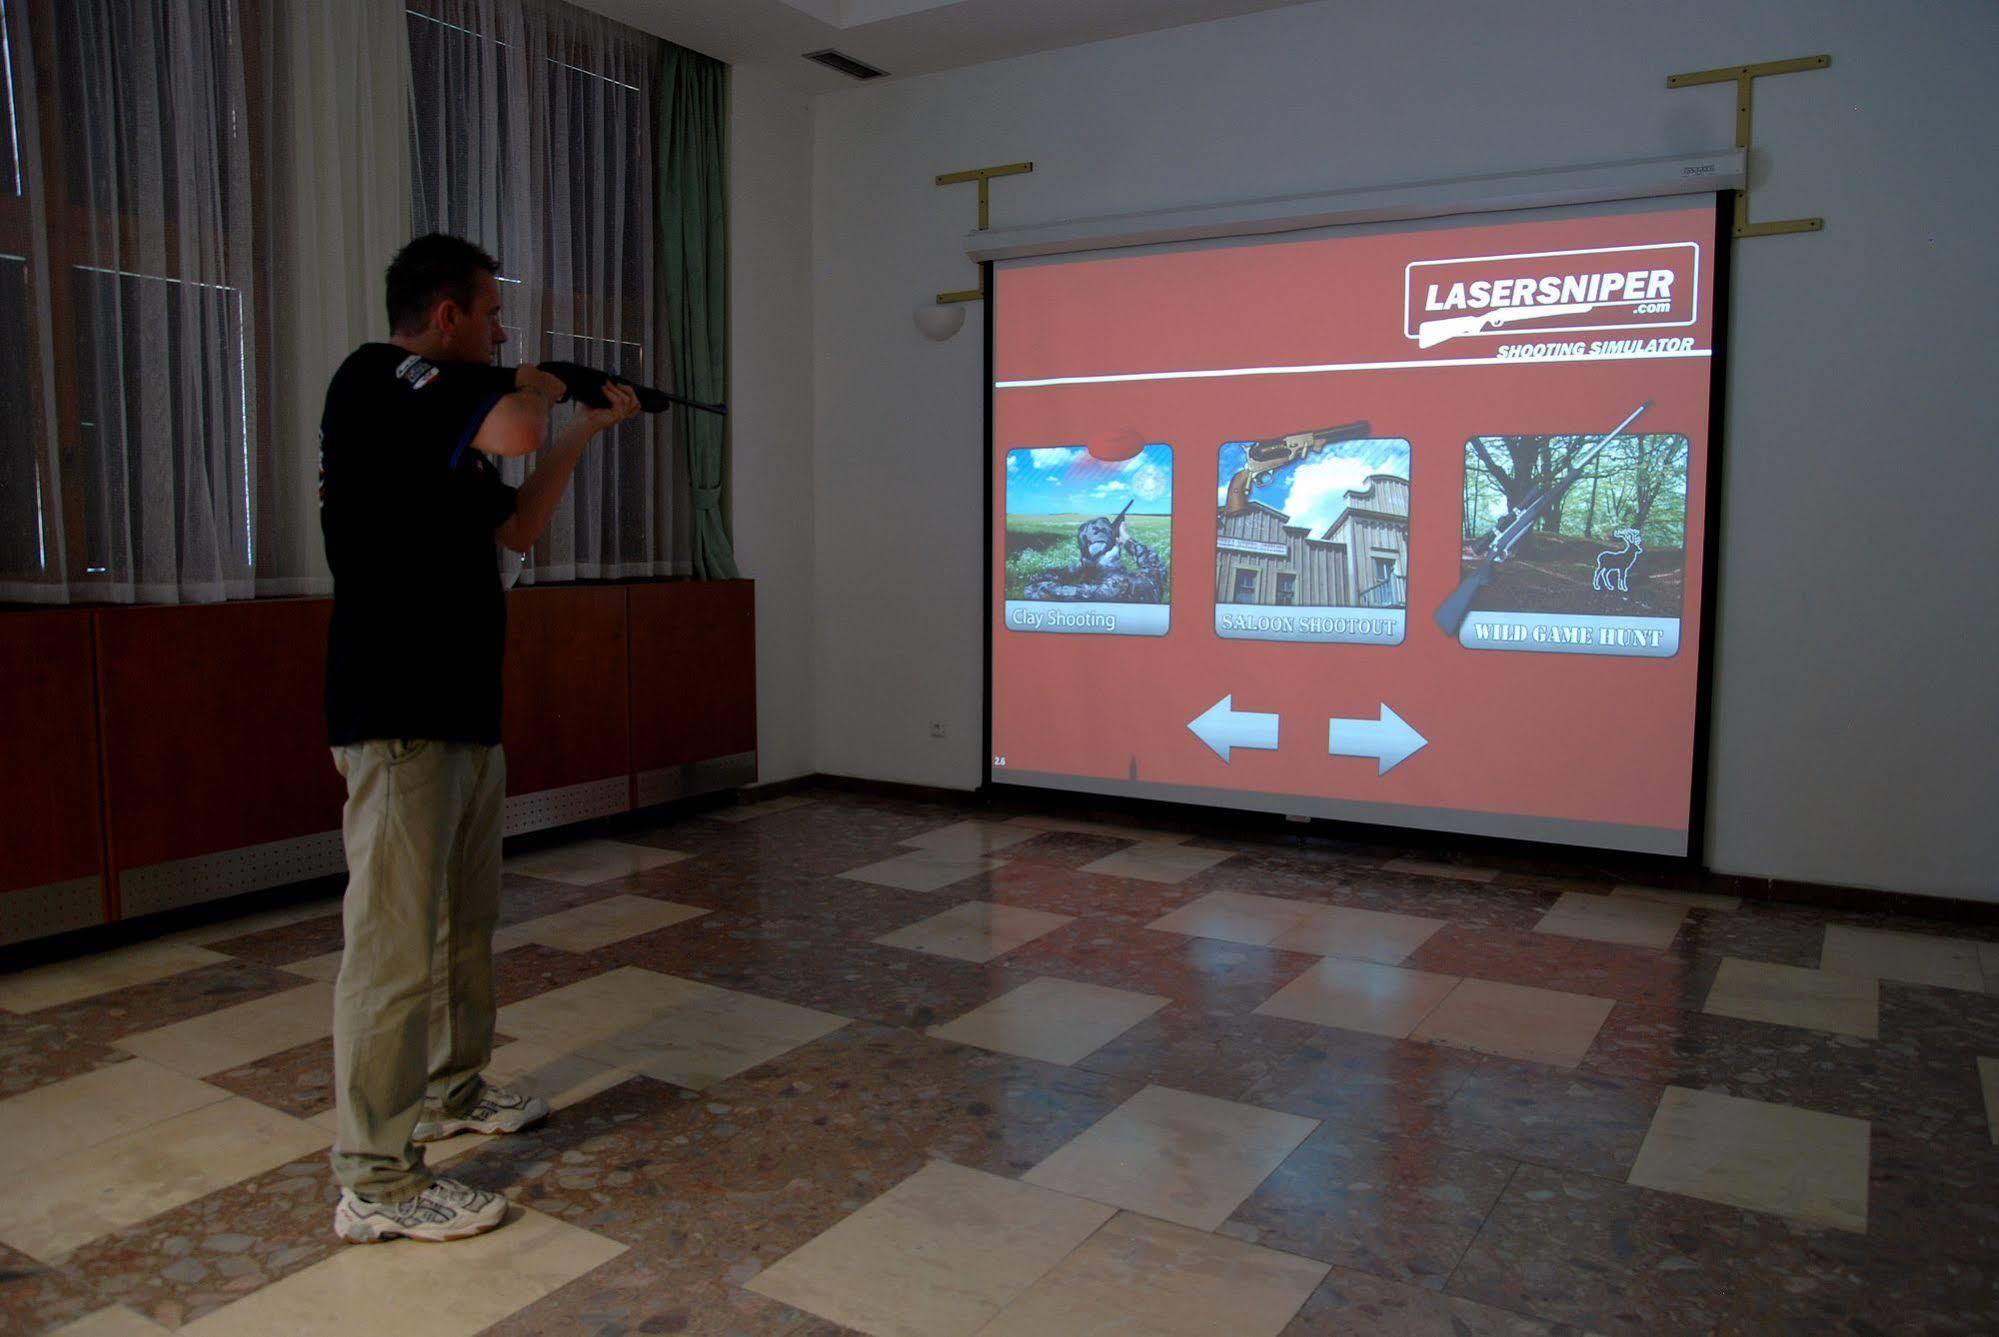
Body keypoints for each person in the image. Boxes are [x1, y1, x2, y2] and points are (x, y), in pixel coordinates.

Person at [317, 233, 639, 1243]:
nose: (505, 329)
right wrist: (539, 385)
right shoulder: (383, 375)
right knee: (392, 949)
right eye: (493, 312)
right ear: (446, 316)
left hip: (461, 710)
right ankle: (375, 1175)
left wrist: (581, 429)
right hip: (399, 716)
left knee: (460, 925)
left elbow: (514, 528)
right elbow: (511, 424)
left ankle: (454, 1089)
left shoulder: (437, 434)